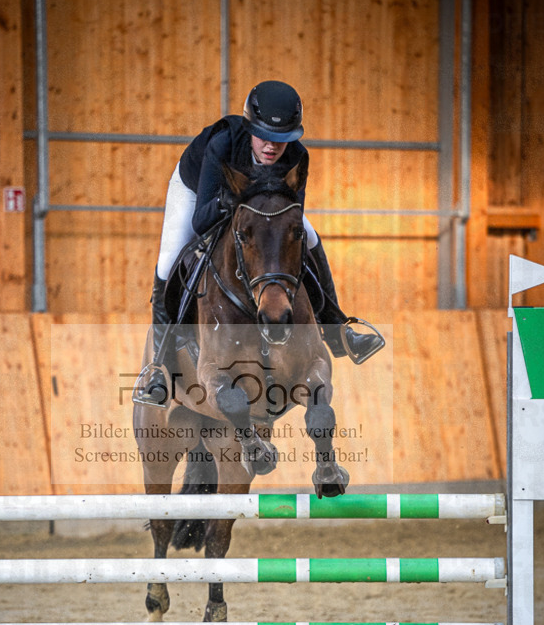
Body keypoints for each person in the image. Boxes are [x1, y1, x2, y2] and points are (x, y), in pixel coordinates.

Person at [135, 80, 383, 405]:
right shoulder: (222, 144)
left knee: (307, 236)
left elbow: (291, 218)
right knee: (169, 261)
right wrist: (233, 202)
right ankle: (159, 368)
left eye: (282, 139)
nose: (272, 147)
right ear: (250, 127)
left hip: (260, 206)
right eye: (265, 136)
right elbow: (201, 220)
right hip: (200, 193)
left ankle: (338, 329)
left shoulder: (298, 156)